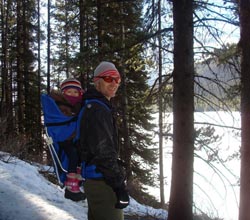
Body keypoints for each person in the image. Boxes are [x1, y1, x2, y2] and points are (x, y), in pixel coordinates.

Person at [79, 61, 129, 220]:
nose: (114, 83)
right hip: (102, 182)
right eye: (108, 78)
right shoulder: (98, 110)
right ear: (97, 81)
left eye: (117, 79)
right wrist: (119, 185)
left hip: (95, 180)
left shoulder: (94, 105)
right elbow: (103, 152)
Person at [50, 78, 86, 202]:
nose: (73, 95)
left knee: (79, 154)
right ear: (63, 93)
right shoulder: (60, 105)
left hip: (73, 138)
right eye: (69, 92)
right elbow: (60, 120)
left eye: (75, 92)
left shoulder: (79, 105)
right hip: (64, 138)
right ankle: (71, 184)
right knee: (73, 155)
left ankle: (77, 178)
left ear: (80, 94)